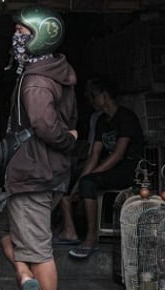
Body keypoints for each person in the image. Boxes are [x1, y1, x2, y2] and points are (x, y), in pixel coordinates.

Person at [0, 6, 78, 290]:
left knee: (38, 249)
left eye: (24, 32)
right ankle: (23, 274)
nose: (17, 38)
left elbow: (45, 125)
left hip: (34, 171)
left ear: (42, 35)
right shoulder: (51, 69)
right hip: (42, 169)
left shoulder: (36, 82)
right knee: (3, 230)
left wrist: (66, 141)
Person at [58, 78, 145, 259]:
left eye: (93, 97)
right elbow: (94, 156)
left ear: (104, 96)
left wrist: (88, 179)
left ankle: (91, 238)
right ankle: (70, 231)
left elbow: (118, 155)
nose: (91, 101)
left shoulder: (126, 117)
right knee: (76, 179)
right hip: (110, 168)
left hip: (129, 170)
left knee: (88, 182)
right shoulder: (101, 121)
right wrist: (76, 188)